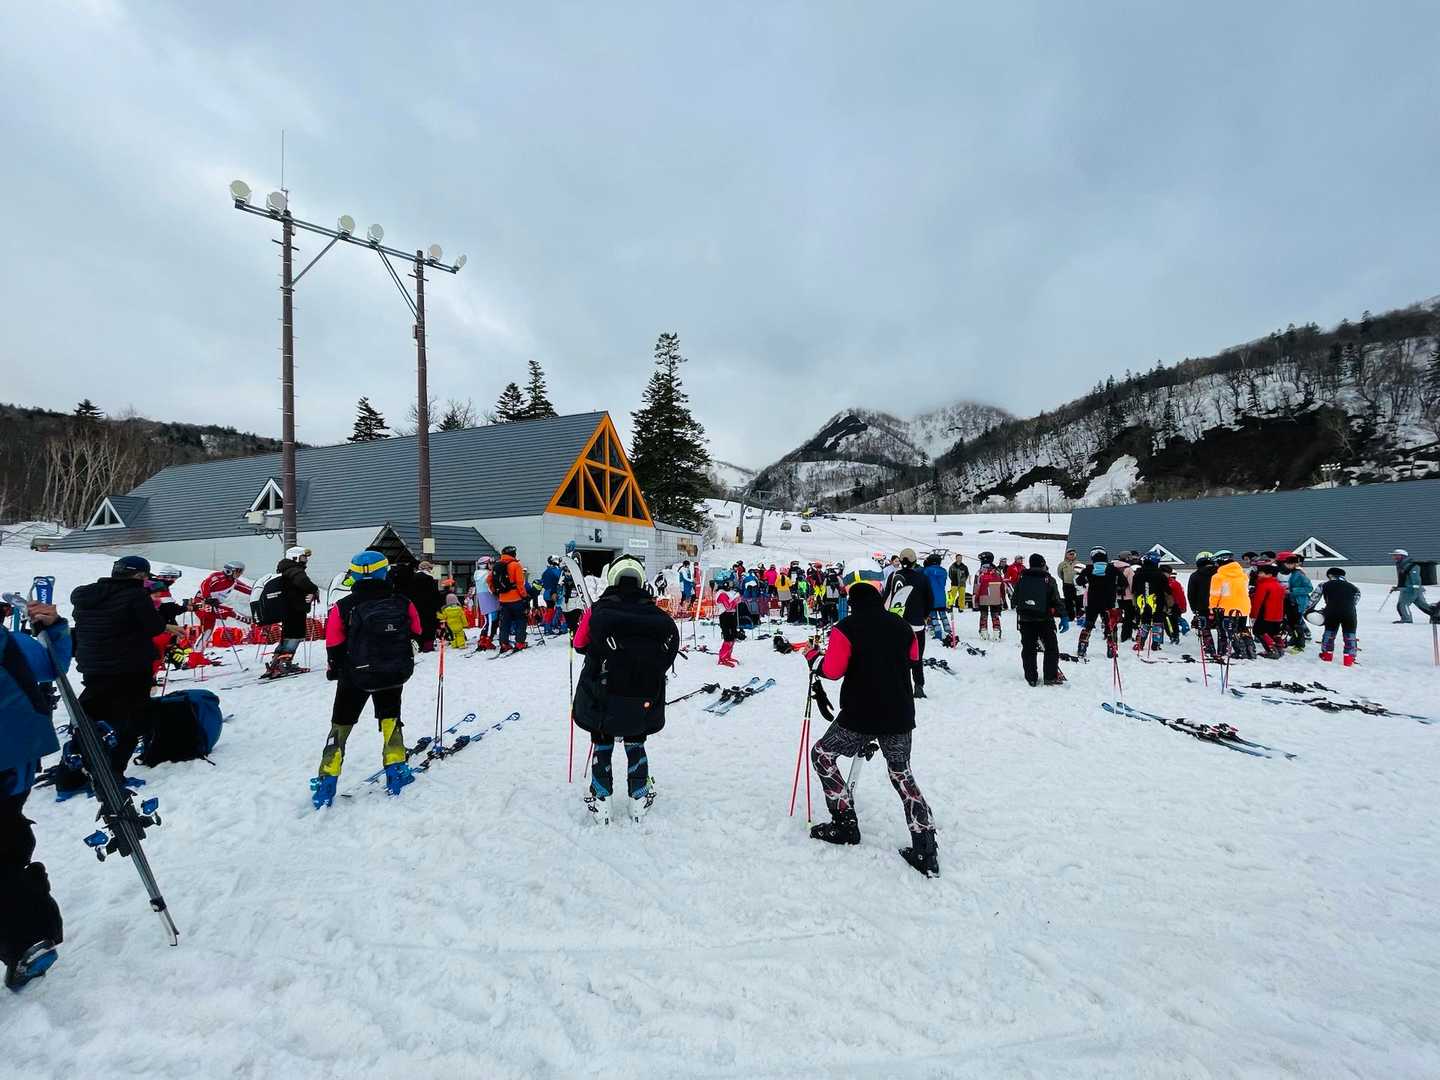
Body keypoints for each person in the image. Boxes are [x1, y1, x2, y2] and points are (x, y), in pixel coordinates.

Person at [804, 582, 937, 877]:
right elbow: (914, 659)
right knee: (901, 773)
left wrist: (813, 659)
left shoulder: (845, 628)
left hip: (860, 714)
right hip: (899, 713)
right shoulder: (903, 626)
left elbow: (833, 671)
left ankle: (844, 823)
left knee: (822, 755)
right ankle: (926, 846)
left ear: (852, 603)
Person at [310, 551, 422, 807]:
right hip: (392, 672)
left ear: (354, 574)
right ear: (385, 571)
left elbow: (334, 642)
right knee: (391, 719)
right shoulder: (402, 602)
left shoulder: (343, 606)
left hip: (355, 675)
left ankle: (327, 780)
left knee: (341, 724)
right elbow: (416, 631)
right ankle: (396, 770)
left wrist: (336, 668)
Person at [572, 556, 679, 824]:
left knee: (603, 742)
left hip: (603, 695)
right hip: (643, 695)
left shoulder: (597, 611)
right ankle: (639, 798)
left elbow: (579, 644)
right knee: (635, 741)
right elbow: (668, 656)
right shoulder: (659, 617)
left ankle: (601, 799)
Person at [0, 598, 69, 990]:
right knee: (8, 838)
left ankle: (27, 938)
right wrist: (54, 628)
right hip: (20, 761)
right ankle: (34, 926)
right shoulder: (9, 641)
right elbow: (51, 665)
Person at [70, 555, 167, 777]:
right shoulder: (136, 595)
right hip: (129, 667)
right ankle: (113, 775)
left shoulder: (88, 594)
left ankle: (72, 775)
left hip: (93, 666)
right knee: (129, 720)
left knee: (90, 719)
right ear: (140, 575)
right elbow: (155, 627)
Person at [882, 548, 932, 698]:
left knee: (898, 656)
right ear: (914, 561)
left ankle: (900, 686)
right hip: (917, 624)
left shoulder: (893, 576)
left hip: (896, 624)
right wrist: (924, 616)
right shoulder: (922, 578)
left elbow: (886, 598)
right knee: (917, 656)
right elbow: (929, 600)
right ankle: (918, 686)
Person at [1012, 554, 1066, 686]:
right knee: (1051, 648)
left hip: (1025, 620)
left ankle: (1031, 677)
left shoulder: (1022, 578)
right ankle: (1050, 677)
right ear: (1043, 564)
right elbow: (1056, 600)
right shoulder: (1048, 579)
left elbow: (1014, 600)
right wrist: (1063, 616)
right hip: (1045, 619)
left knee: (1028, 649)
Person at [267, 546, 319, 677]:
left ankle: (276, 662)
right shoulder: (295, 570)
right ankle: (285, 663)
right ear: (294, 557)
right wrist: (314, 589)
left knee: (286, 635)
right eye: (303, 558)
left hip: (286, 608)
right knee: (295, 636)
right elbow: (304, 583)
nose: (305, 560)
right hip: (296, 609)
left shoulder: (285, 569)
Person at [1075, 548, 1121, 659]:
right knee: (1110, 626)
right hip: (1109, 602)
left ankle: (1082, 647)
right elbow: (1123, 582)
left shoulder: (1089, 568)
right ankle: (1112, 648)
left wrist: (1087, 581)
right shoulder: (1112, 569)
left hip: (1093, 601)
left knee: (1088, 625)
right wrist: (1115, 585)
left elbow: (1078, 581)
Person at [1208, 550, 1253, 659]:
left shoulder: (1218, 577)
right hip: (1244, 606)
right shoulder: (1243, 575)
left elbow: (1215, 595)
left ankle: (1236, 651)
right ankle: (1250, 650)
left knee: (1228, 630)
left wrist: (1212, 608)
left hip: (1226, 608)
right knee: (1242, 628)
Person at [1317, 567, 1361, 666]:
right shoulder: (1354, 588)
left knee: (1329, 632)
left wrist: (1308, 611)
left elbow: (1314, 598)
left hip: (1332, 611)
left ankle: (1327, 655)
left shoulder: (1324, 585)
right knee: (1350, 634)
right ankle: (1349, 659)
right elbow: (1355, 602)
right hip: (1349, 613)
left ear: (1330, 575)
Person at [1129, 551, 1170, 653]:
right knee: (1157, 621)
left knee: (1144, 621)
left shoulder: (1138, 574)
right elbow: (1167, 591)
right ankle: (1156, 644)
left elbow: (1133, 589)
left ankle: (1140, 642)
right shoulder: (1160, 575)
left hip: (1142, 600)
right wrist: (1169, 604)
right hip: (1158, 600)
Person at [195, 561, 251, 635]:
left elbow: (248, 589)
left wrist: (259, 592)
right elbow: (204, 584)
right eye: (238, 571)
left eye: (241, 572)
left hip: (214, 605)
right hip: (201, 602)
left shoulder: (234, 582)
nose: (240, 574)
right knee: (211, 616)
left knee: (213, 622)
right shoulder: (218, 576)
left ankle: (203, 635)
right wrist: (208, 598)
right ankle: (195, 633)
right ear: (229, 571)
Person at [491, 545, 529, 653]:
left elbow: (489, 580)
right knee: (521, 620)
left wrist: (496, 592)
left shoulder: (497, 565)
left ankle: (504, 644)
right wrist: (525, 596)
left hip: (503, 600)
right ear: (513, 554)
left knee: (505, 623)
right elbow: (520, 584)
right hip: (516, 599)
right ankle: (520, 643)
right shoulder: (516, 565)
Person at [401, 561, 442, 652]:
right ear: (427, 568)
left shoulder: (411, 578)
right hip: (428, 608)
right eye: (430, 568)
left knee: (417, 625)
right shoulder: (429, 579)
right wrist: (437, 607)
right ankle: (427, 646)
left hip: (415, 607)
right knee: (428, 626)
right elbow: (435, 596)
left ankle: (417, 645)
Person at [1391, 549, 1437, 623]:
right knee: (1423, 605)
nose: (1394, 557)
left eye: (1396, 555)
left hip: (1411, 590)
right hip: (1410, 589)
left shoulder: (1412, 566)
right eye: (1393, 555)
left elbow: (1416, 579)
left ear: (1402, 556)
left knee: (1402, 604)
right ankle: (1437, 616)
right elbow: (1405, 579)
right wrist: (1398, 587)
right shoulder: (1402, 565)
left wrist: (1415, 590)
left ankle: (1406, 619)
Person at [1279, 552, 1313, 651]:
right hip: (1284, 601)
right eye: (1288, 563)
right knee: (1288, 622)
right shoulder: (1278, 573)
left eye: (1293, 563)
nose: (1291, 565)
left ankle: (1300, 644)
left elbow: (1309, 588)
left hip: (1297, 602)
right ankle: (1294, 639)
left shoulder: (1298, 574)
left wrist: (1292, 591)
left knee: (1296, 623)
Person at [1187, 552, 1218, 658]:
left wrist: (1193, 608)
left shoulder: (1195, 575)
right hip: (1220, 605)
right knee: (1222, 628)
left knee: (1205, 628)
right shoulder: (1220, 573)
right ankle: (1224, 649)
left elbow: (1191, 594)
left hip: (1202, 606)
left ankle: (1209, 648)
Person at [974, 553, 1008, 642]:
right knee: (995, 615)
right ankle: (997, 633)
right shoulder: (997, 572)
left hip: (983, 597)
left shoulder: (979, 573)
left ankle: (983, 633)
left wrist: (975, 601)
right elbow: (1002, 587)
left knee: (983, 615)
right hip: (995, 596)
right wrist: (1003, 600)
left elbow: (976, 588)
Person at [921, 552, 950, 643]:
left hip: (931, 596)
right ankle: (948, 631)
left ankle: (938, 633)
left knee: (933, 616)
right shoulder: (944, 571)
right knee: (943, 615)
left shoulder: (927, 571)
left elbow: (924, 582)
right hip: (941, 596)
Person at [715, 582, 742, 667]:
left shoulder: (729, 592)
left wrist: (737, 598)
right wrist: (736, 599)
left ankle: (728, 656)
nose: (731, 586)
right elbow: (728, 606)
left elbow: (738, 601)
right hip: (725, 616)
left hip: (731, 615)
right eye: (729, 584)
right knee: (728, 638)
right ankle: (722, 658)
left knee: (733, 636)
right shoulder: (722, 594)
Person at [540, 556, 565, 635]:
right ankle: (562, 627)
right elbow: (558, 581)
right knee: (560, 609)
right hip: (555, 593)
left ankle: (547, 628)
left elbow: (543, 582)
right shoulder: (556, 571)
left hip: (547, 593)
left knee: (550, 610)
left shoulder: (546, 571)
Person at [1163, 567, 1188, 644]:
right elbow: (1181, 596)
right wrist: (1183, 606)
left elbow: (1180, 596)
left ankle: (1174, 636)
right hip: (1171, 606)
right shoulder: (1174, 583)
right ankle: (1174, 636)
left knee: (1171, 622)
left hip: (1173, 606)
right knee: (1171, 622)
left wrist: (1182, 606)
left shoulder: (1174, 584)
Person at [1056, 550, 1080, 621]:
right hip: (1067, 585)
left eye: (1073, 554)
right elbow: (1059, 573)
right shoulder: (1062, 564)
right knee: (1068, 601)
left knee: (1078, 601)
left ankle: (1079, 616)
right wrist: (1064, 579)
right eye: (1070, 554)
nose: (1072, 556)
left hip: (1076, 585)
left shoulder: (1078, 564)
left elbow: (1082, 573)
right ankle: (1070, 616)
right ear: (1067, 555)